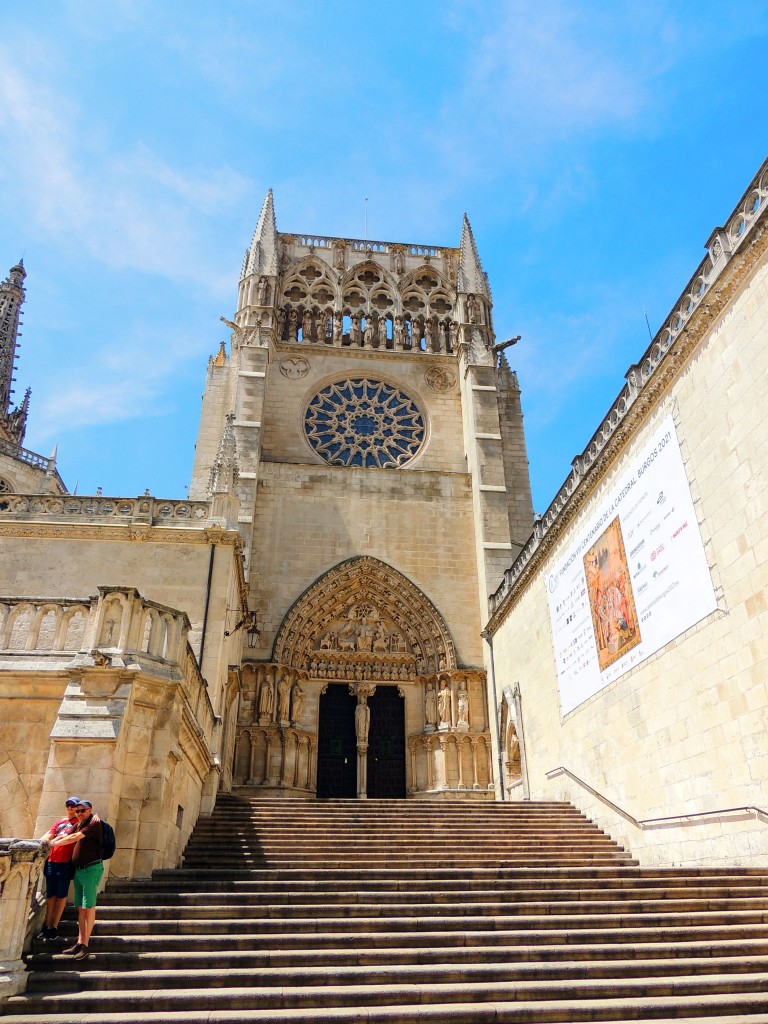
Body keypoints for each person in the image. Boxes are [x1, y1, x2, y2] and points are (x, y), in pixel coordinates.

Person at [49, 799, 104, 961]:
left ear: (90, 810)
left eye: (83, 810)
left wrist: (52, 844)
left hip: (91, 869)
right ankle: (79, 942)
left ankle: (86, 945)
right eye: (77, 811)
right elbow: (67, 834)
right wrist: (50, 841)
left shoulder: (94, 824)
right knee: (80, 907)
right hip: (80, 870)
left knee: (89, 907)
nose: (79, 813)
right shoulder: (79, 823)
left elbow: (74, 838)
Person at [36, 796, 80, 940]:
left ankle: (54, 926)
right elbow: (50, 834)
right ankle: (48, 925)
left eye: (72, 806)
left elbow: (69, 839)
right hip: (52, 861)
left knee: (61, 895)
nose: (70, 808)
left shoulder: (78, 824)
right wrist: (41, 842)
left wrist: (53, 841)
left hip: (65, 863)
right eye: (68, 805)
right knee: (51, 895)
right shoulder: (60, 822)